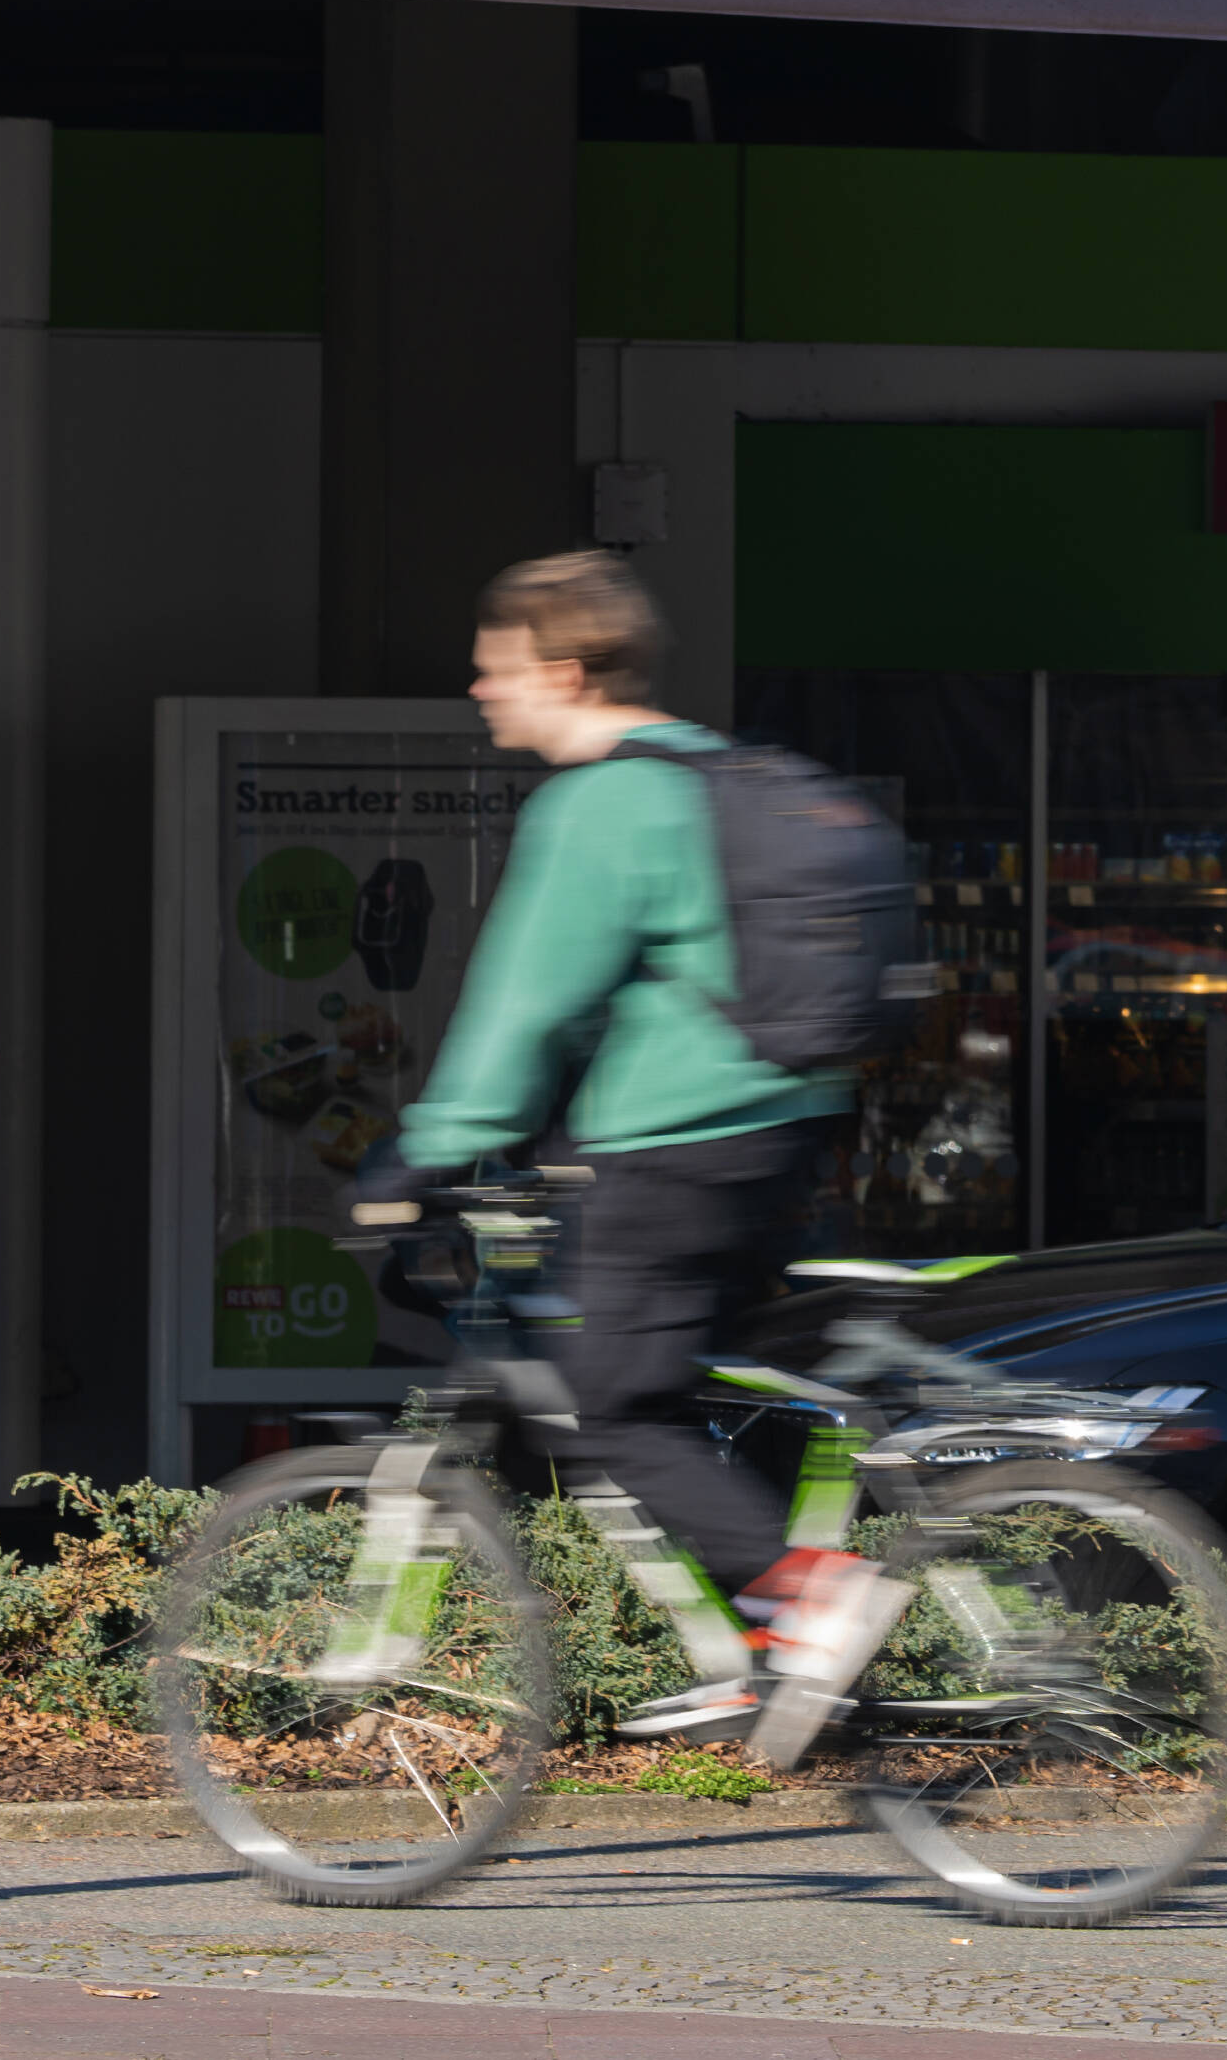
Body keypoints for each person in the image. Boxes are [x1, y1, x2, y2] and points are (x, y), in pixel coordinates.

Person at [355, 551, 905, 1751]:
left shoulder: (604, 800)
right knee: (667, 1371)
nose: (479, 690)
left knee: (605, 1402)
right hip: (783, 1132)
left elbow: (524, 1006)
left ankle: (807, 1604)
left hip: (676, 1145)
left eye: (494, 667)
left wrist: (422, 1157)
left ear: (563, 668)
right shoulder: (722, 775)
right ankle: (754, 1654)